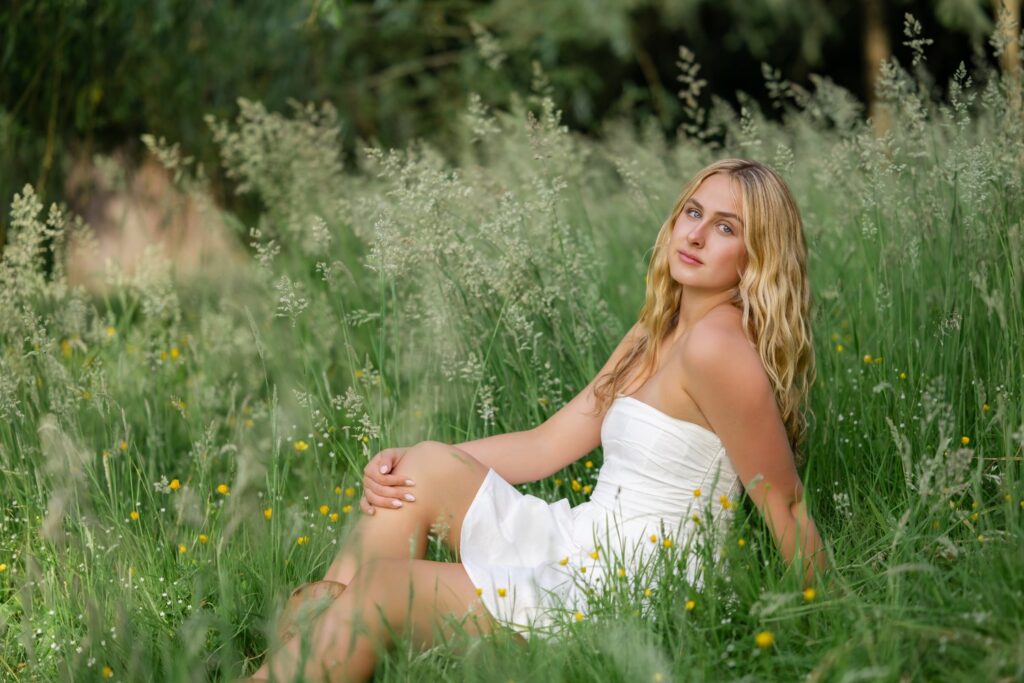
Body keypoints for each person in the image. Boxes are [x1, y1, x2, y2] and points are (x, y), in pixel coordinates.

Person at [242, 158, 831, 682]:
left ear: (758, 256)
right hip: (583, 542)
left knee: (383, 588)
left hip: (630, 588)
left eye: (725, 228)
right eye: (692, 212)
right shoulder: (656, 334)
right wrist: (398, 463)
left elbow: (786, 506)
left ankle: (314, 633)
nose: (697, 234)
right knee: (415, 470)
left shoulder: (717, 349)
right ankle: (320, 636)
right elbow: (548, 443)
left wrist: (836, 632)